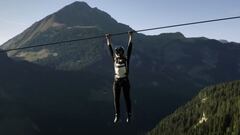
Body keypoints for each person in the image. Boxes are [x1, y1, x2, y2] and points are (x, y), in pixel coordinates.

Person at [105, 32, 133, 123]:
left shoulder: (125, 59)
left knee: (126, 98)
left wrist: (130, 37)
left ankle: (128, 115)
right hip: (117, 81)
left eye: (119, 53)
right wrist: (108, 39)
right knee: (116, 99)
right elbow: (110, 49)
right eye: (118, 53)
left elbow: (129, 49)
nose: (118, 55)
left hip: (124, 81)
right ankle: (118, 115)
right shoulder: (115, 59)